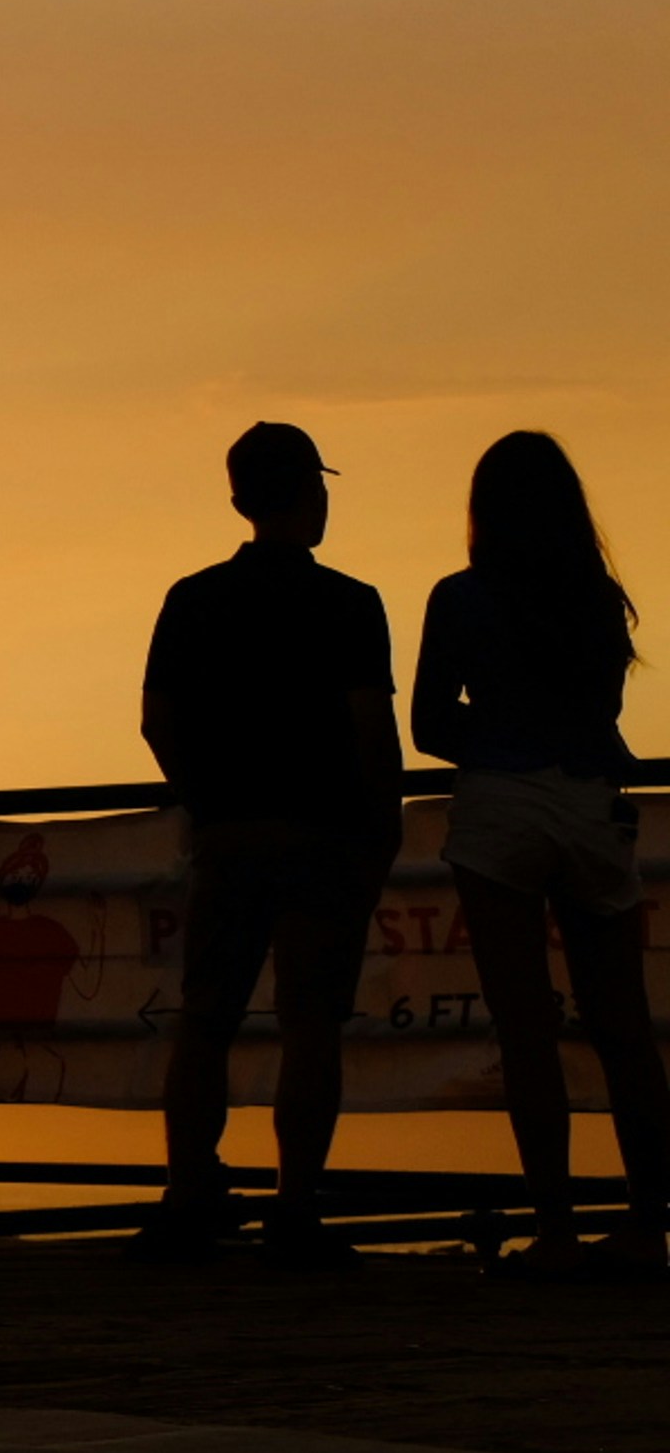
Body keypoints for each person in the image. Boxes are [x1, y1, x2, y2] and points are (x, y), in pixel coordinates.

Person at [126, 422, 402, 1268]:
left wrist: (205, 800)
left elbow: (157, 719)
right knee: (311, 1022)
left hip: (229, 833)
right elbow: (371, 729)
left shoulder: (193, 597)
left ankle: (190, 1187)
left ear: (241, 498)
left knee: (206, 1017)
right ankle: (295, 1203)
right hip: (322, 835)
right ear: (311, 495)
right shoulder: (352, 603)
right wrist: (380, 828)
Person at [418, 431, 663, 1271]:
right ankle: (646, 1221)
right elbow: (599, 712)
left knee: (526, 1028)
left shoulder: (459, 596)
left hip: (501, 805)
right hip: (591, 800)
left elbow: (426, 721)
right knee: (624, 1025)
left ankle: (554, 1227)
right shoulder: (596, 598)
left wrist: (497, 731)